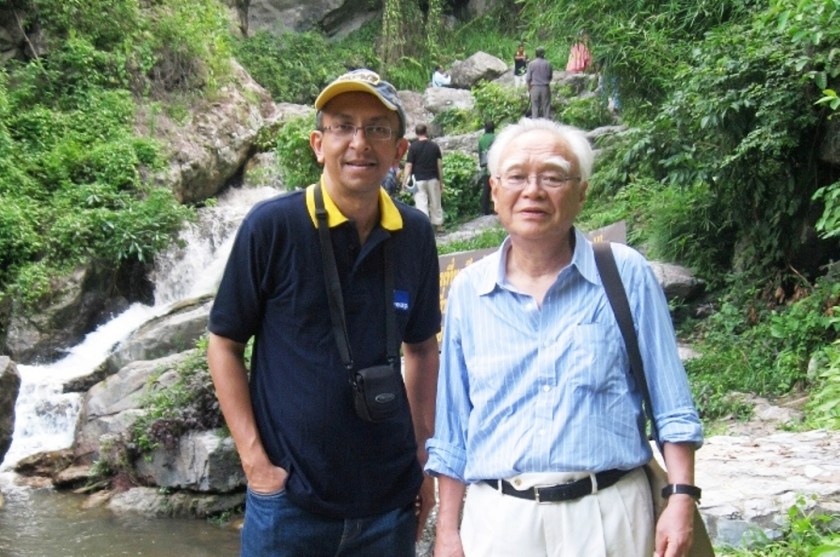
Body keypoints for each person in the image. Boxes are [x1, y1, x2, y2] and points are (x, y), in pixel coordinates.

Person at [425, 118, 704, 557]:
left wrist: (682, 496)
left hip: (609, 513)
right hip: (500, 521)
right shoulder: (468, 292)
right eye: (517, 176)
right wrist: (447, 532)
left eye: (553, 176)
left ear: (581, 192)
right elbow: (454, 426)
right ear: (495, 191)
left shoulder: (624, 273)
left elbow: (672, 404)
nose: (533, 190)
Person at [207, 68, 441, 557]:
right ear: (318, 143)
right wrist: (254, 464)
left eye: (378, 128)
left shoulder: (415, 234)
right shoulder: (273, 226)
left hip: (388, 504)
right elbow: (224, 342)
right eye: (343, 127)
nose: (360, 143)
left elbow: (421, 347)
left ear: (400, 151)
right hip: (290, 504)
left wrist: (423, 455)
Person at [403, 123, 445, 233]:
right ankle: (439, 225)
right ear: (426, 132)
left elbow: (409, 165)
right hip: (433, 178)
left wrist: (404, 181)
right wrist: (441, 181)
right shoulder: (434, 146)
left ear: (416, 133)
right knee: (436, 202)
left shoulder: (413, 147)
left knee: (421, 204)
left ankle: (425, 228)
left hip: (419, 179)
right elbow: (439, 165)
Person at [526, 47, 553, 119]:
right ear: (543, 54)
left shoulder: (531, 64)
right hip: (545, 87)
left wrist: (529, 88)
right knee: (546, 107)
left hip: (534, 87)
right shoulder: (548, 64)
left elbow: (528, 78)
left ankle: (534, 124)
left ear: (536, 54)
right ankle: (546, 124)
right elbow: (550, 77)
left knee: (534, 107)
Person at [477, 120, 496, 215]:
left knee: (486, 189)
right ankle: (496, 208)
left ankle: (485, 210)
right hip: (494, 166)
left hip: (485, 167)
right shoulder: (495, 138)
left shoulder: (481, 139)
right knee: (496, 187)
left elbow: (480, 154)